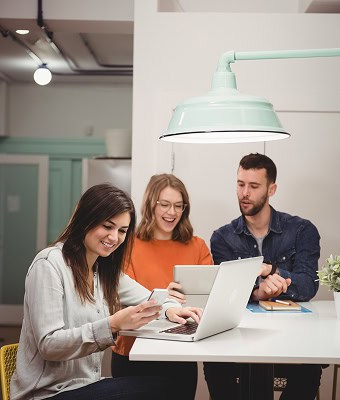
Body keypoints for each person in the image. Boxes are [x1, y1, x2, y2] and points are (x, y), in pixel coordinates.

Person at [10, 183, 202, 400]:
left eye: (122, 231)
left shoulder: (103, 270)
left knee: (176, 379)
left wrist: (170, 309)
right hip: (46, 394)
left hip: (85, 386)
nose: (114, 237)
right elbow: (49, 345)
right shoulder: (49, 264)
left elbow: (149, 297)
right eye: (107, 226)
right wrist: (112, 324)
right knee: (168, 387)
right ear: (86, 221)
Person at [204, 153, 322, 400]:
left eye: (254, 186)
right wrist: (259, 292)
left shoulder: (301, 230)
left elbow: (309, 285)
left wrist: (272, 271)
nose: (244, 193)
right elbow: (225, 294)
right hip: (241, 337)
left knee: (311, 366)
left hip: (291, 337)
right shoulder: (223, 238)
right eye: (240, 184)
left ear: (272, 189)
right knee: (213, 363)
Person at [111, 173, 213, 400]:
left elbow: (208, 301)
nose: (172, 212)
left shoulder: (197, 247)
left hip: (180, 355)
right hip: (133, 353)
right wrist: (166, 299)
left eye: (178, 205)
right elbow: (121, 301)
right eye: (165, 204)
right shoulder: (127, 245)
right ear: (150, 205)